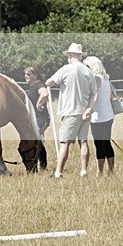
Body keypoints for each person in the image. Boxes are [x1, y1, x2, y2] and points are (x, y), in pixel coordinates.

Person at [42, 43, 97, 179]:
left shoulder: (66, 69)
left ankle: (58, 172)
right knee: (83, 142)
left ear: (71, 55)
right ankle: (83, 171)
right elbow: (94, 93)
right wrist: (89, 109)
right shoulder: (88, 71)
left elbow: (49, 82)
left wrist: (54, 83)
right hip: (84, 111)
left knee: (64, 143)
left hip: (71, 112)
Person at [83, 56, 115, 175]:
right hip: (108, 114)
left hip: (98, 117)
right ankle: (111, 170)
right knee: (106, 143)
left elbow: (92, 96)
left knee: (99, 144)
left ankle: (99, 171)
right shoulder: (106, 79)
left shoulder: (96, 79)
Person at [23, 66, 50, 170]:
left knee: (35, 140)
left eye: (29, 74)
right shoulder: (32, 86)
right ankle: (42, 165)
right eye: (25, 74)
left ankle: (40, 165)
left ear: (35, 75)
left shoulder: (38, 84)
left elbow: (45, 93)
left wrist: (39, 104)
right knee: (38, 141)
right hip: (35, 118)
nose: (26, 76)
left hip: (42, 118)